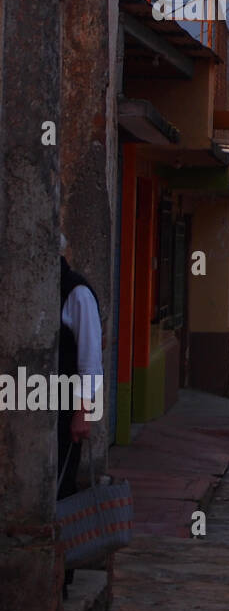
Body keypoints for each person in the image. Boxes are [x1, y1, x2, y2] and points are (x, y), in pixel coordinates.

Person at [59, 254, 103, 593]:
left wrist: (82, 413)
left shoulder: (77, 293)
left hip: (62, 407)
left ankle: (63, 571)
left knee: (63, 487)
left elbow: (90, 360)